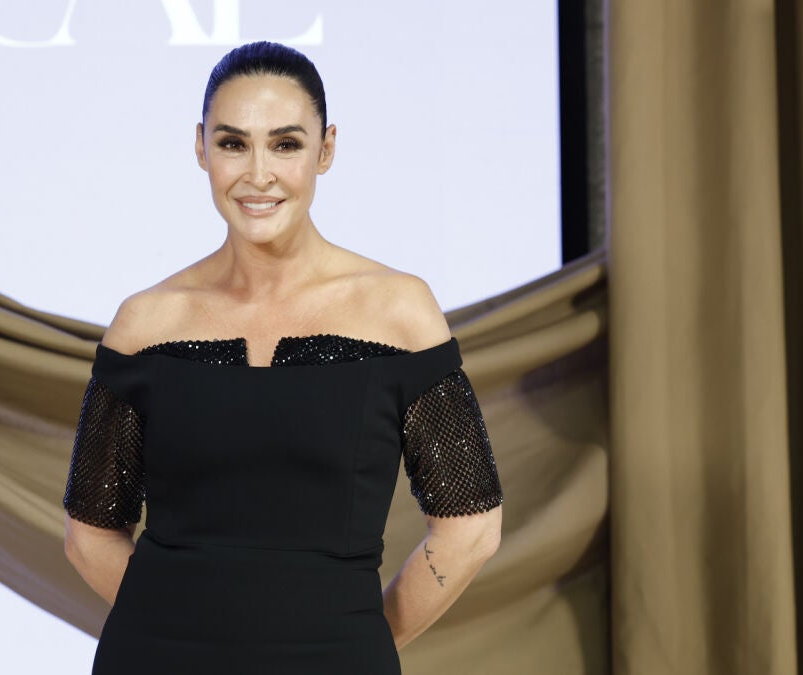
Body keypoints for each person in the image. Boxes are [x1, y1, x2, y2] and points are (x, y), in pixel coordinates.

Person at [62, 41, 503, 673]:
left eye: (286, 144)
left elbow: (471, 528)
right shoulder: (145, 323)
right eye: (233, 143)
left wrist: (354, 642)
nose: (259, 174)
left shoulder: (398, 311)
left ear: (326, 150)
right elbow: (89, 536)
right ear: (200, 147)